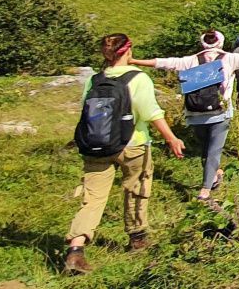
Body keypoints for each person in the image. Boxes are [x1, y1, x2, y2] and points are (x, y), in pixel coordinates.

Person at [63, 34, 184, 276]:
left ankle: (76, 250)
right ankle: (137, 238)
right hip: (133, 145)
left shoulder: (95, 79)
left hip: (97, 145)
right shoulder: (138, 78)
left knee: (93, 198)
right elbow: (151, 112)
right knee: (137, 189)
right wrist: (172, 138)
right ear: (129, 51)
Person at [130, 31, 239, 200]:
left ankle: (212, 177)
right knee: (214, 151)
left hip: (194, 113)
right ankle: (205, 189)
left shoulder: (190, 60)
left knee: (206, 150)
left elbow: (163, 63)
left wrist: (133, 61)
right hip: (220, 112)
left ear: (202, 43)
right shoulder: (230, 59)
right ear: (221, 43)